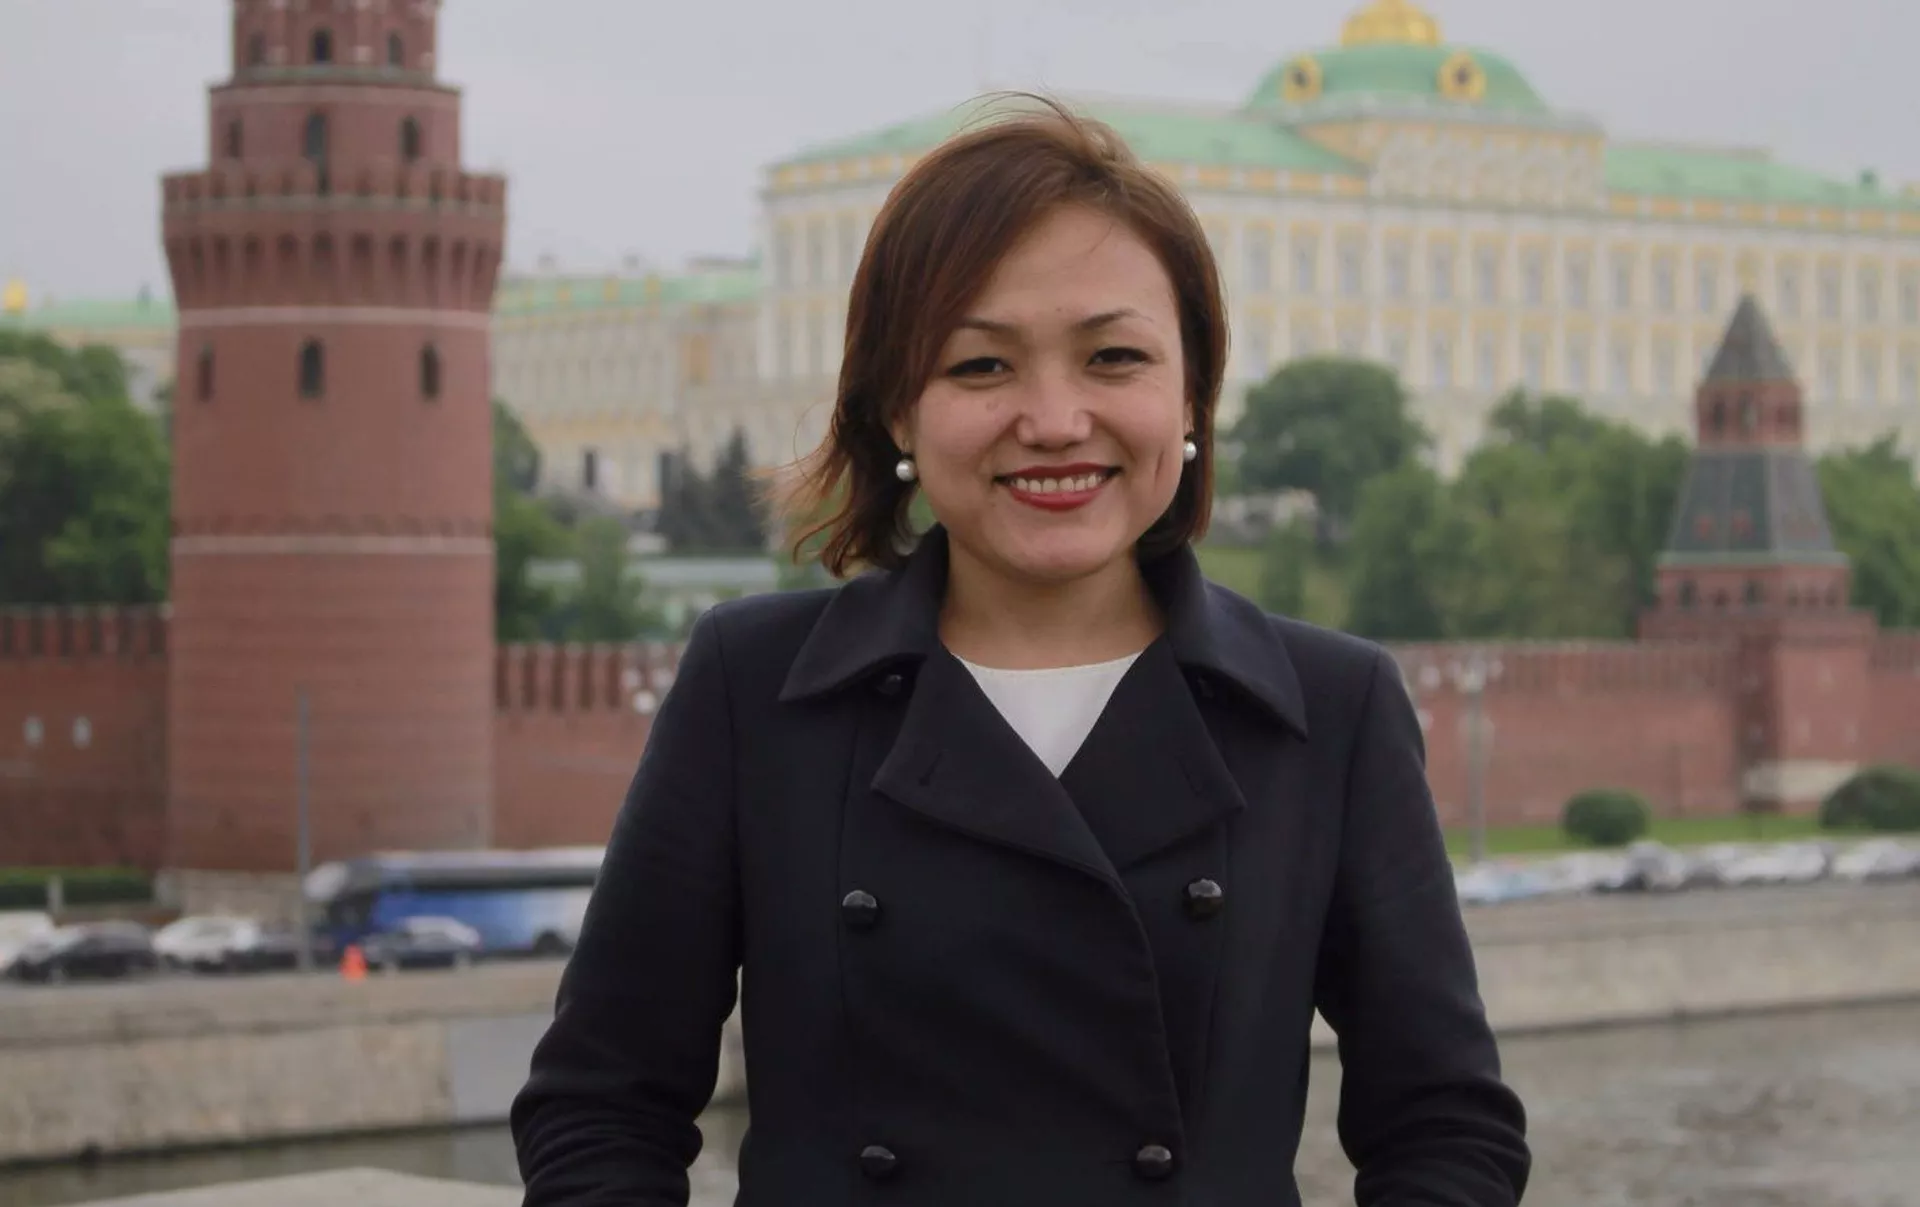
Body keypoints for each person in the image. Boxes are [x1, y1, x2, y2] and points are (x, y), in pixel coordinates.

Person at [511, 96, 1530, 1207]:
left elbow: (1447, 1132)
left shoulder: (1327, 707)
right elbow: (601, 1108)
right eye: (981, 367)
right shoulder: (754, 688)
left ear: (1192, 396)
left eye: (1114, 357)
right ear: (897, 411)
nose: (1052, 419)